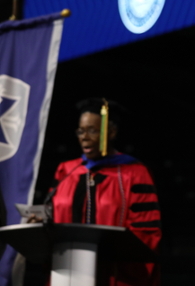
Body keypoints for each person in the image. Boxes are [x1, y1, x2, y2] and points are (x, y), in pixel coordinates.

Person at [35, 98, 161, 286]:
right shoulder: (66, 171)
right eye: (81, 131)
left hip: (114, 275)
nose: (84, 137)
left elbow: (146, 233)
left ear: (111, 132)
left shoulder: (133, 172)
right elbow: (51, 213)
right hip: (65, 273)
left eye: (92, 130)